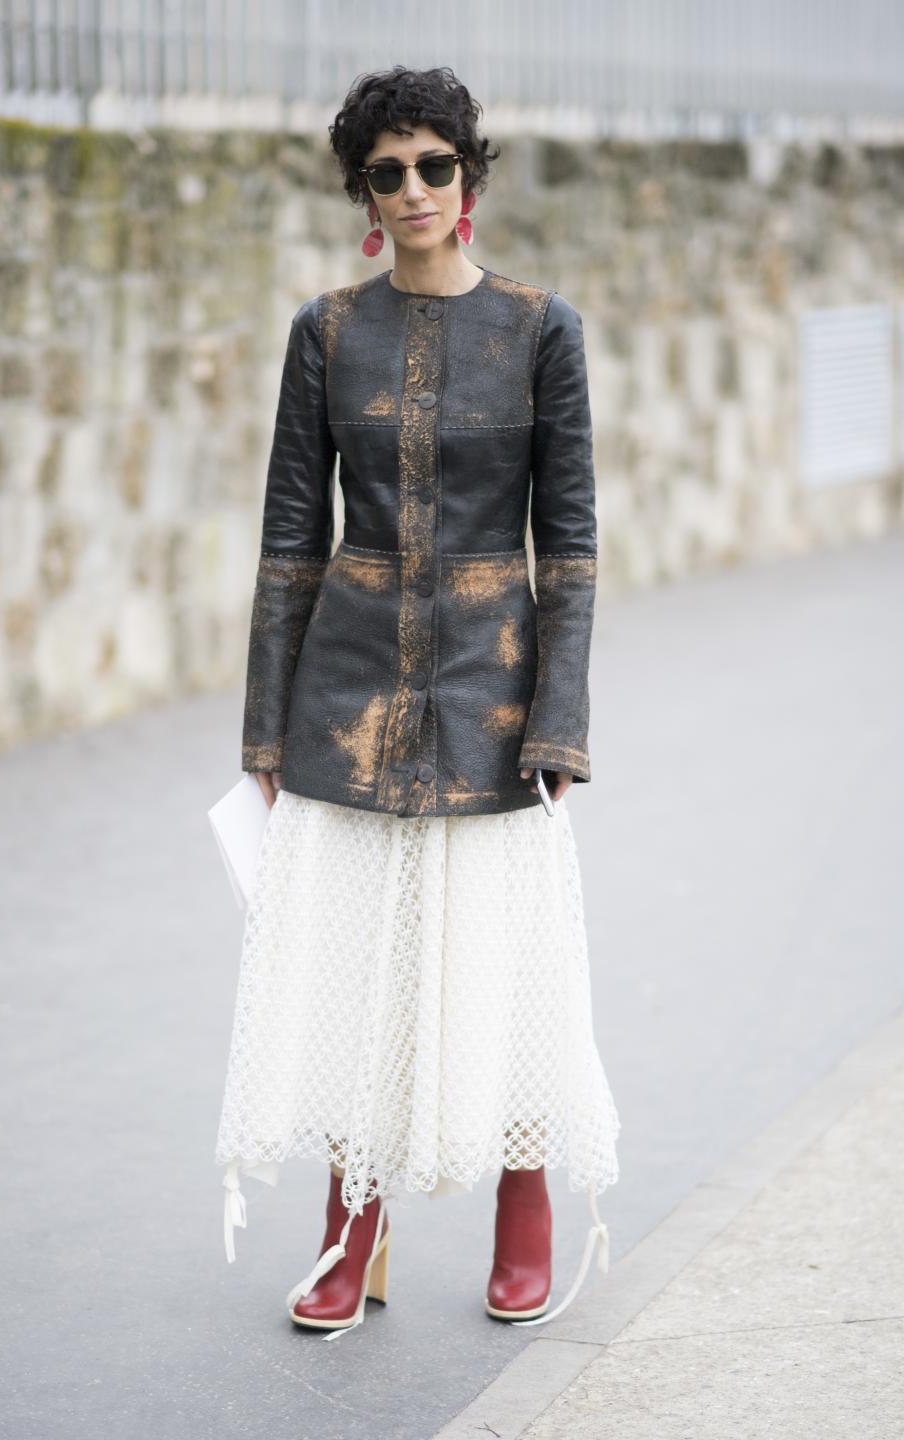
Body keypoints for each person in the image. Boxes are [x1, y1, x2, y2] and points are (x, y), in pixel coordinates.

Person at [214, 63, 621, 1339]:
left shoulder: (542, 329)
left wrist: (560, 719)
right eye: (385, 172)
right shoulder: (325, 332)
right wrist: (265, 728)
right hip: (346, 696)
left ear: (472, 182)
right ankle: (352, 1234)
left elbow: (573, 546)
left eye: (434, 165)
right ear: (362, 196)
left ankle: (525, 1213)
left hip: (493, 696)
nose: (412, 189)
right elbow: (290, 539)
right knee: (357, 978)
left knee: (504, 970)